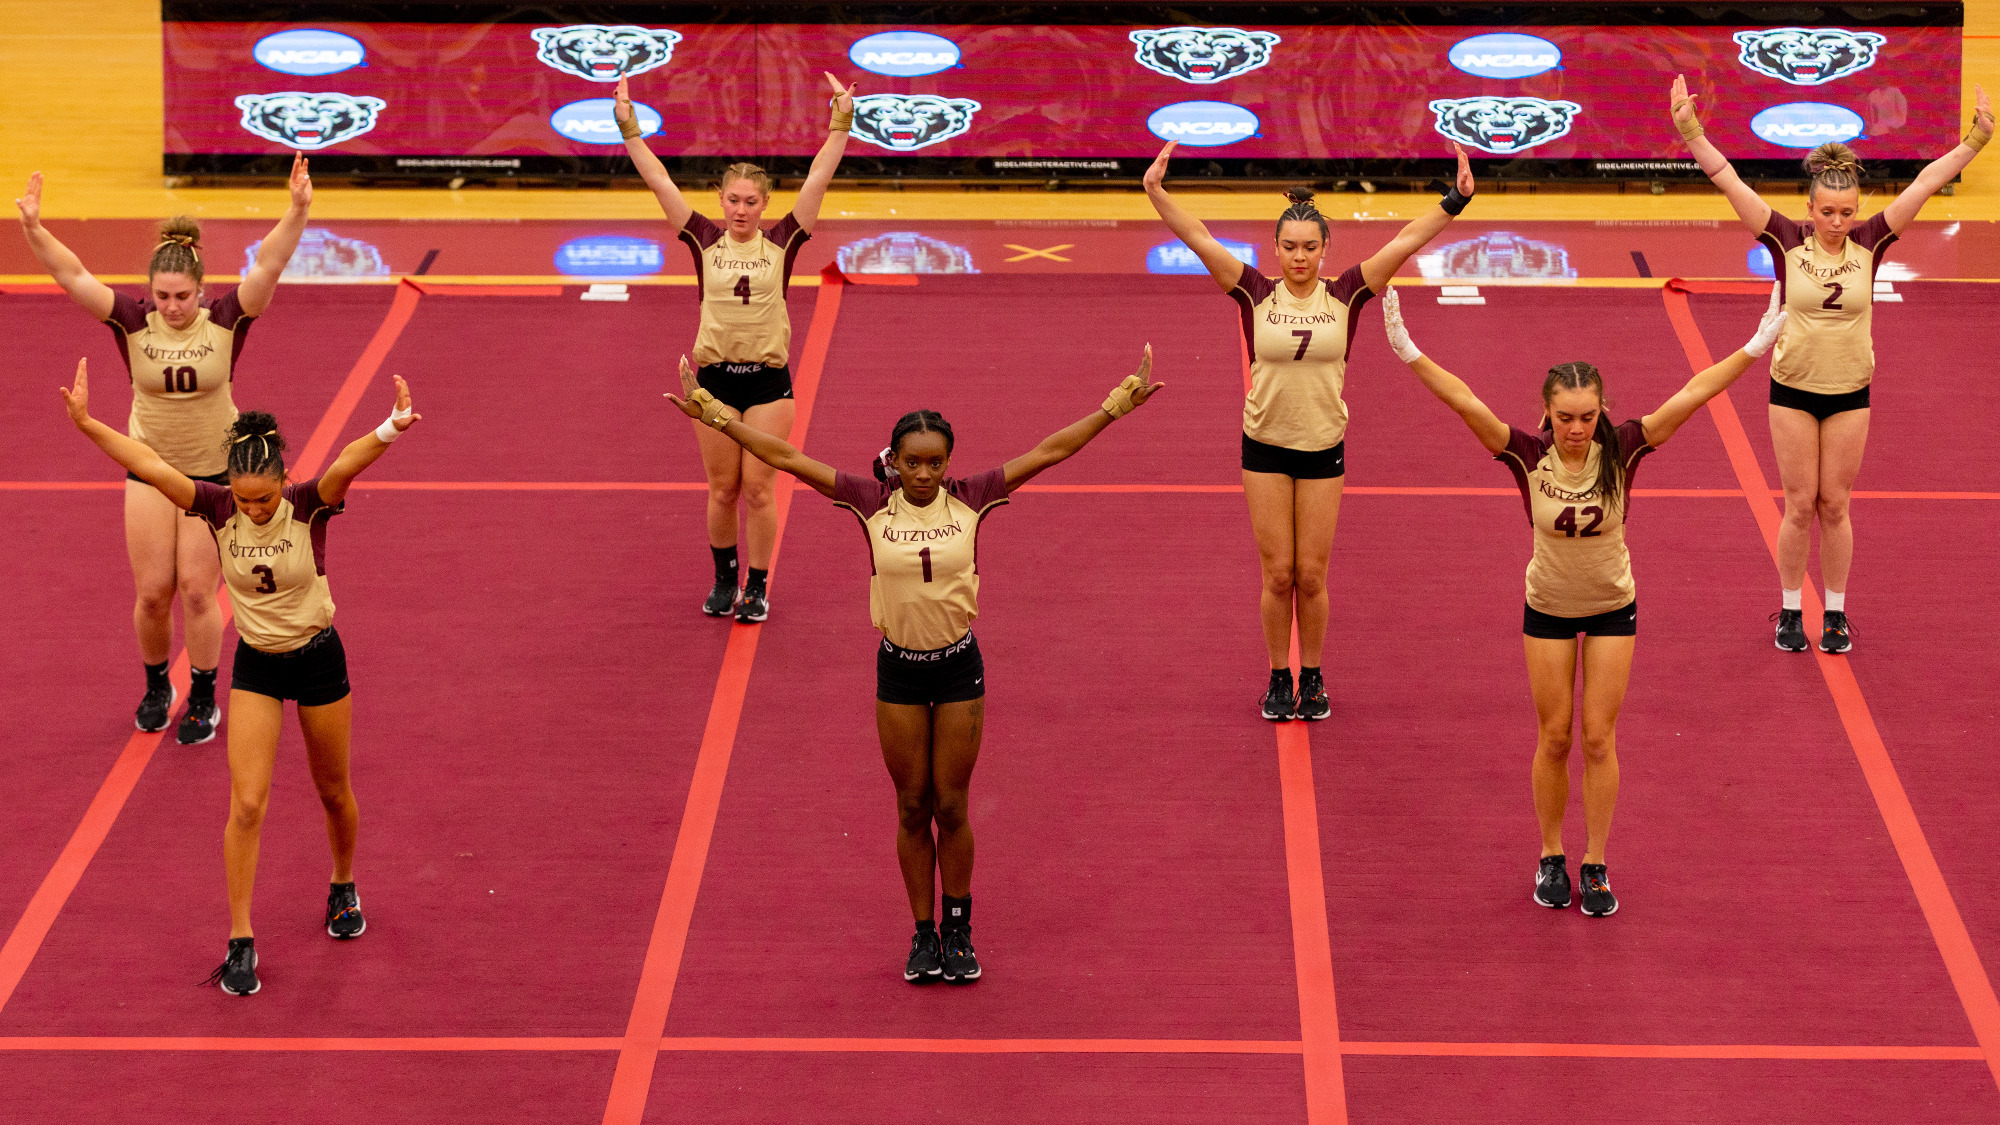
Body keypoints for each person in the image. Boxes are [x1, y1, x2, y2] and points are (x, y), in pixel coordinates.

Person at [665, 349, 1161, 982]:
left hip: (958, 669)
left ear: (946, 462)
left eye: (935, 462)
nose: (924, 474)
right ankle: (922, 934)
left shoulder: (973, 498)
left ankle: (960, 927)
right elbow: (786, 458)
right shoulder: (869, 502)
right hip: (898, 670)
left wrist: (1113, 408)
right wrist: (714, 415)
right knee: (909, 805)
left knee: (951, 805)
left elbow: (1048, 452)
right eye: (912, 463)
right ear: (893, 463)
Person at [1381, 286, 1785, 916]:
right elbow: (1463, 400)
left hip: (1611, 608)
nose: (1576, 429)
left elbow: (1694, 392)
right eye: (1565, 417)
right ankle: (1550, 854)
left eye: (1587, 416)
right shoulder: (1527, 453)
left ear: (1602, 411)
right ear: (1546, 413)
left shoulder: (1621, 449)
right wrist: (1407, 350)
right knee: (1556, 736)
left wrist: (1755, 346)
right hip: (1546, 609)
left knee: (1599, 738)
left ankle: (1594, 860)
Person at [61, 358, 419, 996]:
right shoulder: (218, 506)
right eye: (244, 497)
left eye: (264, 497)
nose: (253, 510)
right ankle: (241, 939)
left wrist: (391, 425)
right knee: (247, 803)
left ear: (284, 480)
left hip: (317, 658)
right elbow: (150, 467)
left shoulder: (309, 506)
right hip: (255, 663)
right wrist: (88, 424)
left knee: (333, 790)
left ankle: (342, 885)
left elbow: (346, 462)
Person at [1142, 140, 1475, 720]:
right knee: (1277, 575)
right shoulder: (1253, 290)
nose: (1300, 258)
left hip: (1323, 447)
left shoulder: (1347, 293)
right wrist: (1156, 193)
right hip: (1264, 448)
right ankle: (1277, 676)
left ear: (1325, 250)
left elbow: (1403, 241)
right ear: (1275, 248)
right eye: (1290, 247)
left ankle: (1314, 675)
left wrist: (1455, 200)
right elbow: (1198, 238)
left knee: (1313, 577)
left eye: (1310, 248)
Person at [1670, 77, 1993, 653]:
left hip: (1849, 391)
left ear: (1857, 210)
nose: (1837, 222)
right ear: (1811, 207)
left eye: (1846, 212)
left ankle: (1837, 613)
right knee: (1798, 504)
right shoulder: (1783, 239)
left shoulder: (1872, 241)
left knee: (1836, 504)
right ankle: (1792, 608)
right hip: (1792, 389)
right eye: (1828, 211)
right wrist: (1692, 132)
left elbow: (1924, 182)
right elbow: (1728, 180)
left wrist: (1973, 143)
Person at [16, 154, 315, 743]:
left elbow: (271, 263)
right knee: (153, 594)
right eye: (161, 296)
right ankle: (158, 684)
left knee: (200, 591)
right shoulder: (132, 322)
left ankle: (204, 694)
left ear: (201, 290)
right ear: (148, 292)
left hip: (213, 476)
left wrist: (298, 209)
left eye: (181, 296)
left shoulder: (227, 319)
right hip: (150, 470)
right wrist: (34, 229)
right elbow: (74, 277)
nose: (171, 307)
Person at [615, 71, 857, 624]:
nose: (742, 210)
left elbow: (819, 176)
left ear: (765, 203)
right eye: (733, 200)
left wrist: (840, 121)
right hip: (714, 381)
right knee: (723, 489)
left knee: (759, 489)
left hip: (769, 384)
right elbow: (659, 184)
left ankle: (758, 585)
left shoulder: (784, 240)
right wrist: (629, 128)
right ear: (720, 201)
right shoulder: (702, 238)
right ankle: (724, 579)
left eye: (752, 201)